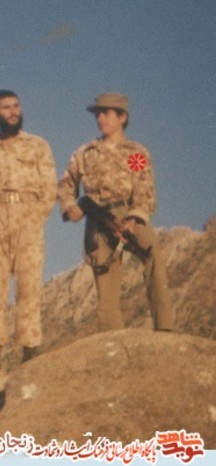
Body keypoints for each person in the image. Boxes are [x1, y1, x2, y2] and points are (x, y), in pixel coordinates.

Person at [57, 92, 174, 332]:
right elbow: (66, 184)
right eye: (98, 114)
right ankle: (113, 339)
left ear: (122, 117)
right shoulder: (85, 154)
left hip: (129, 214)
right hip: (97, 220)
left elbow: (144, 187)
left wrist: (133, 219)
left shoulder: (135, 153)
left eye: (107, 113)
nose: (100, 118)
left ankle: (165, 327)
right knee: (105, 280)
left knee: (153, 255)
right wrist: (70, 207)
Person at [0, 89, 57, 372]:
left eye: (16, 106)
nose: (13, 112)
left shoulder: (37, 145)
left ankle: (29, 353)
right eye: (6, 108)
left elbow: (49, 188)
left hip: (28, 216)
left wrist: (34, 218)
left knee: (28, 286)